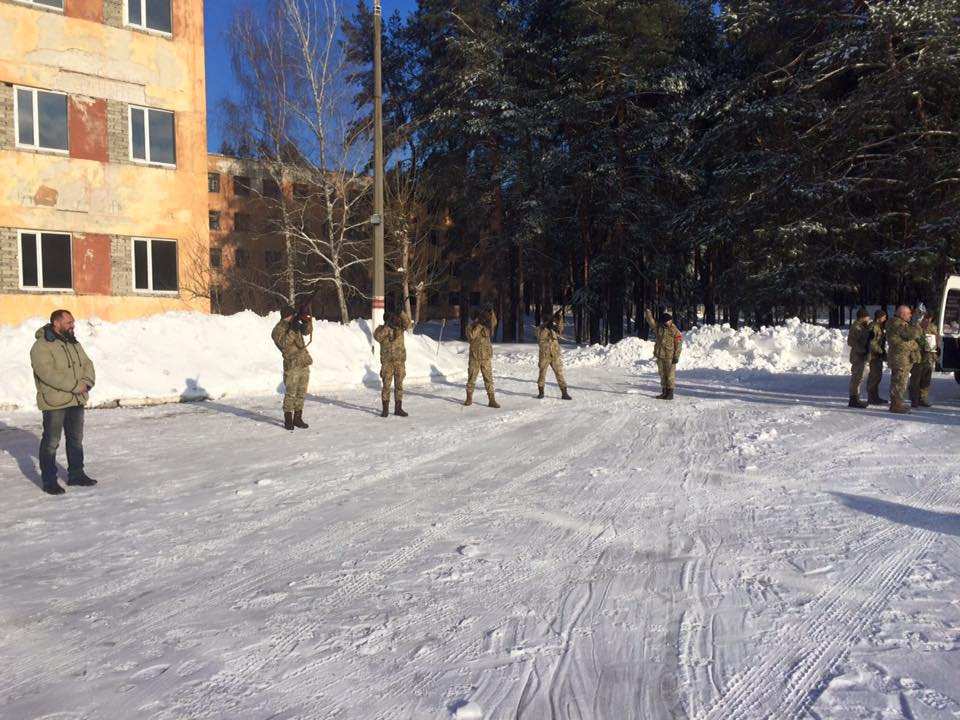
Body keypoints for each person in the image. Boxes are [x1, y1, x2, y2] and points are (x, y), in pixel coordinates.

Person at [30, 309, 97, 495]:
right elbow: (47, 374)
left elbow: (88, 363)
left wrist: (87, 382)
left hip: (76, 400)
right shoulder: (41, 346)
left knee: (76, 440)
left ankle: (77, 474)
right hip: (55, 403)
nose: (72, 325)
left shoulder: (73, 343)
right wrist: (76, 386)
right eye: (69, 322)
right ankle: (49, 481)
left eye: (73, 322)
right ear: (56, 323)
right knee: (51, 442)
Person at [271, 304, 313, 431]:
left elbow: (307, 331)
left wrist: (306, 320)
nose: (293, 316)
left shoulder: (294, 324)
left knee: (301, 392)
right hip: (292, 365)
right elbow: (283, 343)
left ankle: (298, 418)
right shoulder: (277, 330)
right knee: (291, 393)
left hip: (303, 362)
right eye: (292, 315)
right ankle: (288, 419)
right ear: (286, 316)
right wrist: (293, 330)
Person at [374, 311, 413, 417]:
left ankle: (398, 408)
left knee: (399, 385)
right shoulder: (381, 329)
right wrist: (387, 327)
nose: (394, 320)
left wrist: (401, 313)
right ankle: (385, 409)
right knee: (386, 386)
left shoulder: (400, 329)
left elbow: (408, 324)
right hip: (387, 363)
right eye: (391, 318)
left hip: (399, 362)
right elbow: (377, 337)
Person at [885, 305, 922, 414]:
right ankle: (896, 405)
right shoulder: (897, 323)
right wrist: (915, 323)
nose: (910, 316)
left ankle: (897, 403)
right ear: (902, 314)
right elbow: (913, 334)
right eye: (909, 314)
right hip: (900, 357)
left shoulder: (898, 323)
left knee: (900, 380)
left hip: (902, 357)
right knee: (899, 381)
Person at [644, 308, 683, 400]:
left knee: (670, 376)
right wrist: (648, 313)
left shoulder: (675, 330)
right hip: (660, 355)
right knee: (662, 375)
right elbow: (651, 323)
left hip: (670, 357)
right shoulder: (659, 328)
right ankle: (664, 392)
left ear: (670, 320)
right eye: (665, 321)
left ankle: (670, 394)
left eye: (668, 321)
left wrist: (676, 356)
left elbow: (679, 344)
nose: (667, 323)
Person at [465, 306, 500, 408]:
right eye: (477, 317)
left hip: (486, 357)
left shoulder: (487, 326)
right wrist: (478, 325)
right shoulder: (470, 327)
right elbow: (471, 336)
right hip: (474, 357)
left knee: (489, 379)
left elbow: (494, 322)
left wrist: (491, 312)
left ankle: (492, 400)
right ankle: (469, 398)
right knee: (471, 378)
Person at [536, 310, 571, 400]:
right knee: (542, 374)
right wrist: (546, 326)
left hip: (555, 355)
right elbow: (540, 337)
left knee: (559, 373)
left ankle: (564, 393)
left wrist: (560, 319)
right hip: (544, 355)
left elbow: (560, 329)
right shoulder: (540, 329)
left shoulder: (553, 329)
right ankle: (541, 392)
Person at [909, 312, 940, 408]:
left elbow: (936, 338)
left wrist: (937, 346)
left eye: (929, 319)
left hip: (929, 356)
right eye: (926, 318)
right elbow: (913, 340)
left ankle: (922, 398)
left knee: (926, 379)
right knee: (916, 378)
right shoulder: (916, 327)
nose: (928, 320)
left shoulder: (933, 327)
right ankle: (914, 399)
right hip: (918, 356)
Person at [846, 307, 871, 408]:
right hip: (857, 356)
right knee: (856, 377)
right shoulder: (856, 327)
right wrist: (862, 350)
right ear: (863, 317)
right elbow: (851, 341)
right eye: (867, 317)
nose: (868, 319)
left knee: (859, 377)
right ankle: (854, 399)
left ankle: (855, 398)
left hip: (860, 355)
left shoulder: (861, 326)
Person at [866, 309, 888, 405]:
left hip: (877, 355)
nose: (885, 319)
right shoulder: (873, 326)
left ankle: (875, 396)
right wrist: (880, 351)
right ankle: (871, 397)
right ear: (879, 317)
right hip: (874, 355)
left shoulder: (879, 326)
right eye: (884, 317)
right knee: (874, 376)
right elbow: (872, 342)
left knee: (877, 376)